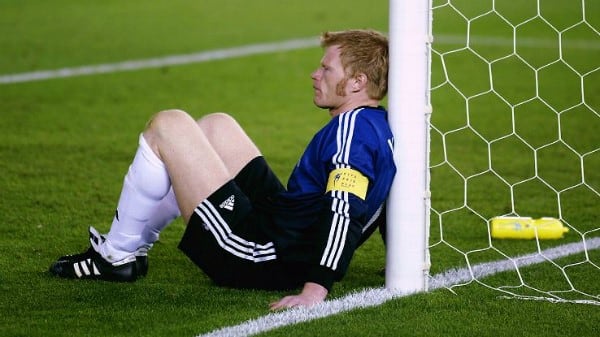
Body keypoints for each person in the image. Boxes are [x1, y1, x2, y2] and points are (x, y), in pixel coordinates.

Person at [49, 29, 396, 310]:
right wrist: (398, 256)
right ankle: (132, 245)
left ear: (356, 83)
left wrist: (315, 289)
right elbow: (387, 194)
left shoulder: (351, 133)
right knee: (216, 125)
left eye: (326, 68)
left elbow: (343, 208)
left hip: (262, 255)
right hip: (286, 227)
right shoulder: (377, 124)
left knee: (168, 125)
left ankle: (116, 255)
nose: (315, 74)